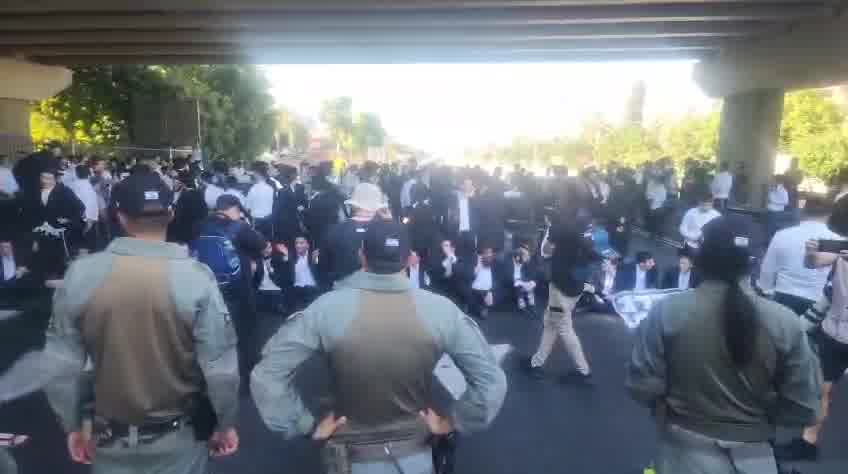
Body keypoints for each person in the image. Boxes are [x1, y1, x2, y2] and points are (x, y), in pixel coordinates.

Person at [250, 219, 507, 474]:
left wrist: (304, 424)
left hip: (350, 454)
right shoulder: (442, 311)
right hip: (416, 448)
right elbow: (491, 383)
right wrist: (450, 422)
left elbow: (268, 375)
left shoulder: (325, 309)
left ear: (362, 256)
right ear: (410, 260)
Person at [42, 170, 240, 473]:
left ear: (119, 216)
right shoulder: (197, 279)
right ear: (170, 214)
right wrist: (224, 424)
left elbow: (61, 365)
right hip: (179, 440)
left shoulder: (81, 275)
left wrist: (72, 425)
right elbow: (220, 370)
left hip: (108, 440)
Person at [626, 214, 821, 474]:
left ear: (701, 257)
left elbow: (642, 387)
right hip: (755, 458)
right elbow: (804, 408)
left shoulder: (667, 312)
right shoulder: (785, 322)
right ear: (754, 262)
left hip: (680, 454)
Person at [774, 194, 848, 462]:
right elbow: (815, 263)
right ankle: (807, 443)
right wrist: (810, 252)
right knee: (822, 389)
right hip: (833, 332)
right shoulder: (841, 249)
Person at [192, 195, 267, 388]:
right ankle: (246, 380)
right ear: (233, 208)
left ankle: (211, 380)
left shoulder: (200, 225)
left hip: (207, 287)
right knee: (246, 335)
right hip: (238, 290)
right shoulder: (240, 228)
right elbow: (262, 245)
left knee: (211, 335)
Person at [523, 219, 596, 383]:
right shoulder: (585, 233)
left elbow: (545, 251)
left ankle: (583, 371)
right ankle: (537, 363)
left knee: (563, 327)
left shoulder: (560, 229)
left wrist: (551, 232)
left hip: (559, 291)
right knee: (551, 323)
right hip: (576, 289)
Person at [758, 196, 839, 315]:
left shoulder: (783, 234)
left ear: (803, 211)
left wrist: (766, 291)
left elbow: (768, 268)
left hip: (782, 296)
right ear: (830, 214)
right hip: (816, 301)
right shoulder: (836, 240)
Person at [22, 160, 84, 279]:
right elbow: (32, 211)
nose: (44, 181)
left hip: (58, 232)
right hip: (41, 230)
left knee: (58, 259)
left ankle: (58, 279)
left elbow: (80, 207)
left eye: (48, 178)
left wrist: (69, 220)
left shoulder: (64, 191)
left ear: (55, 179)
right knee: (41, 256)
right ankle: (44, 278)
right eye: (42, 177)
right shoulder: (35, 191)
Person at [318, 183, 388, 288]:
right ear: (377, 206)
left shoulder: (334, 231)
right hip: (379, 292)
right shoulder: (388, 231)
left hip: (343, 292)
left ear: (353, 205)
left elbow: (323, 267)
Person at [283, 235, 322, 311]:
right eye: (296, 243)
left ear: (307, 245)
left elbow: (320, 268)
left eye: (301, 243)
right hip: (297, 291)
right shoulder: (291, 258)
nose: (298, 245)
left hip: (313, 290)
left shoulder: (313, 256)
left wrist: (316, 260)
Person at [465, 245, 503, 320]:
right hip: (474, 291)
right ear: (481, 254)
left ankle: (481, 308)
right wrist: (478, 265)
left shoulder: (495, 265)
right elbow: (468, 277)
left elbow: (498, 281)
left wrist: (491, 291)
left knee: (483, 314)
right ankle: (475, 307)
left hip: (487, 292)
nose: (489, 255)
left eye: (490, 253)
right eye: (486, 253)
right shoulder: (475, 263)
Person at [68, 165, 99, 253]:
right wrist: (91, 219)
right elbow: (92, 204)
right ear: (88, 174)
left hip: (78, 219)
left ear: (76, 173)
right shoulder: (89, 186)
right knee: (89, 246)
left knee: (79, 245)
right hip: (89, 218)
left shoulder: (72, 185)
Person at [246, 161, 276, 239]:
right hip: (269, 220)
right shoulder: (271, 188)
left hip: (257, 221)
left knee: (258, 243)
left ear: (256, 173)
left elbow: (247, 207)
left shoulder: (253, 189)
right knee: (268, 242)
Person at [506, 244, 538, 315]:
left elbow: (528, 274)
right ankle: (522, 306)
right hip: (512, 281)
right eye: (524, 257)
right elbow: (507, 277)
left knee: (530, 286)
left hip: (521, 280)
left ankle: (531, 305)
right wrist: (518, 281)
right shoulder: (509, 263)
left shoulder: (524, 263)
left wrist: (529, 281)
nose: (526, 259)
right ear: (517, 257)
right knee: (519, 287)